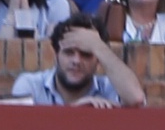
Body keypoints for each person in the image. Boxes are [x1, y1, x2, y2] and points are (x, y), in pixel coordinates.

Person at [10, 12, 145, 107]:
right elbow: (17, 129)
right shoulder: (30, 84)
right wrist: (77, 112)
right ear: (56, 54)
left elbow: (136, 98)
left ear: (98, 60)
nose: (76, 60)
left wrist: (98, 46)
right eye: (69, 52)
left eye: (86, 54)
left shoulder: (109, 87)